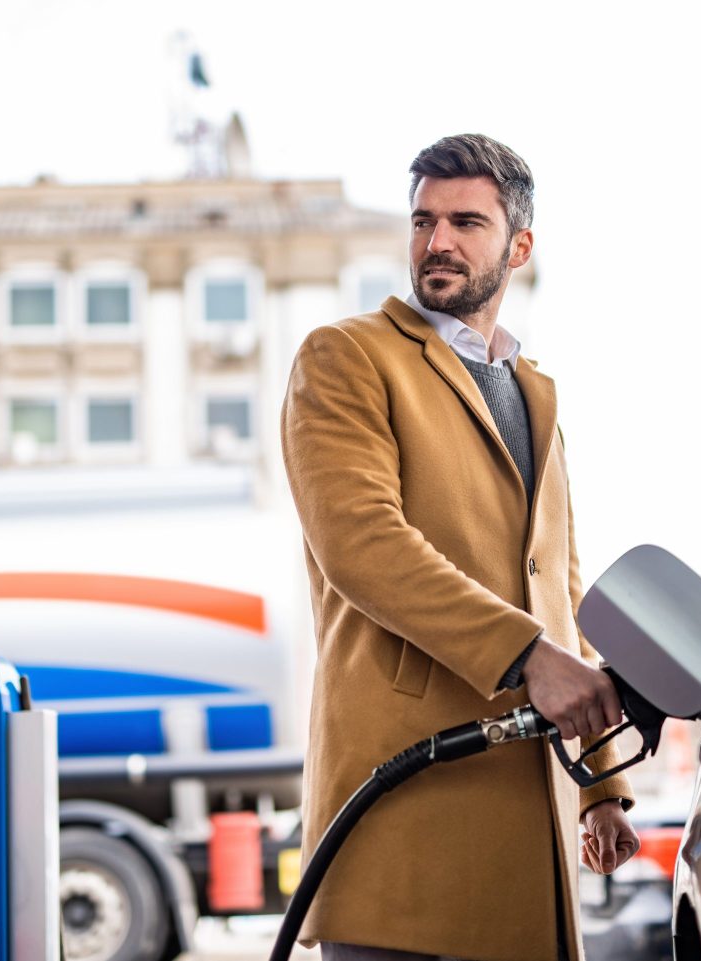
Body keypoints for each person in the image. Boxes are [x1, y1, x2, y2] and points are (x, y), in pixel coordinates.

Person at [280, 134, 638, 961]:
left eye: (466, 221)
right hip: (405, 815)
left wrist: (601, 787)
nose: (437, 241)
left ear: (518, 246)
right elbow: (363, 546)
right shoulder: (347, 357)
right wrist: (526, 655)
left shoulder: (533, 392)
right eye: (423, 220)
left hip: (529, 819)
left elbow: (561, 591)